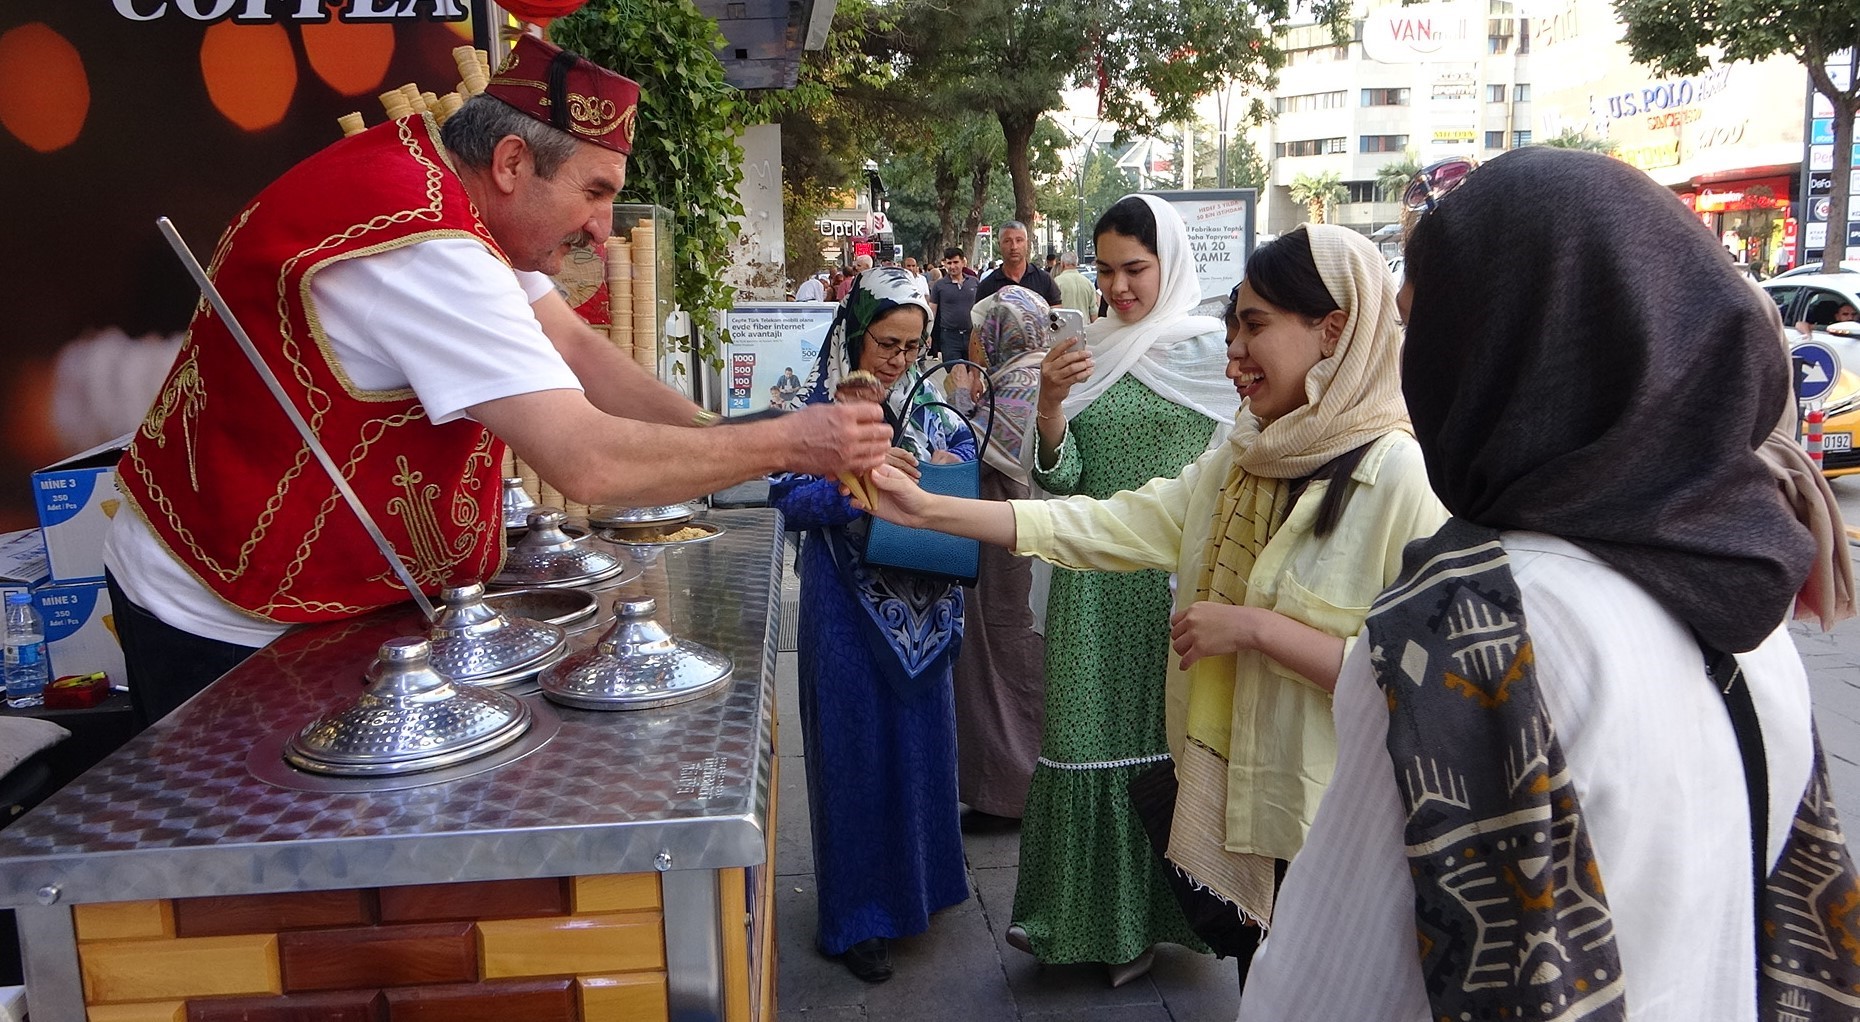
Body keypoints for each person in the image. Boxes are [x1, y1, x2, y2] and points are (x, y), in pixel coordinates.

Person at [101, 34, 890, 728]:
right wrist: (791, 442)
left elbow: (579, 351)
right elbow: (588, 463)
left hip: (328, 587)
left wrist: (721, 437)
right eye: (594, 192)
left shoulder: (449, 188)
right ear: (511, 162)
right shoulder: (427, 247)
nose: (600, 229)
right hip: (226, 610)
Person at [1238, 148, 1859, 1020]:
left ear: (1509, 342)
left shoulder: (1480, 633)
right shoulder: (1750, 598)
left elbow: (1325, 990)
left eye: (1426, 324)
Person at [858, 220, 1448, 988]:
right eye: (1233, 326)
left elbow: (1423, 685)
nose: (1233, 354)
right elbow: (1098, 521)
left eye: (1254, 328)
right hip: (1245, 822)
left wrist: (1258, 630)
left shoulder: (1401, 479)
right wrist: (928, 510)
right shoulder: (1244, 463)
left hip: (1339, 835)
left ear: (1333, 330)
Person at [770, 267, 977, 985]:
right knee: (854, 757)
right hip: (844, 612)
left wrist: (941, 467)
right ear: (856, 331)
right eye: (886, 342)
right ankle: (856, 920)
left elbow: (964, 467)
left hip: (923, 606)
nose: (897, 359)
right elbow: (783, 495)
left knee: (920, 754)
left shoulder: (930, 406)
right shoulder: (811, 408)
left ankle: (921, 895)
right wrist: (848, 486)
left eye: (912, 346)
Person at [950, 286, 1053, 825]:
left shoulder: (1017, 379)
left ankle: (1008, 789)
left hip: (1005, 536)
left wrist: (959, 402)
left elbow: (986, 451)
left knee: (997, 656)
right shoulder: (1038, 371)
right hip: (1021, 532)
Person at [975, 221, 1062, 305]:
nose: (1014, 247)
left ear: (1027, 244)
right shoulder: (987, 286)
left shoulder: (1044, 280)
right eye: (1007, 241)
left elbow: (1057, 314)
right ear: (999, 245)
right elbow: (979, 317)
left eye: (1019, 240)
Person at [930, 247, 980, 367]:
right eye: (949, 263)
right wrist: (928, 334)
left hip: (971, 336)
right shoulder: (939, 286)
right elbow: (932, 310)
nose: (952, 266)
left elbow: (982, 308)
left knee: (973, 373)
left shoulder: (974, 282)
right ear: (945, 264)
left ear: (963, 262)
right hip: (949, 338)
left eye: (956, 262)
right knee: (955, 374)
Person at [1054, 250, 1099, 322]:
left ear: (1062, 264)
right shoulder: (1088, 283)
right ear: (1076, 264)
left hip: (1063, 329)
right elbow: (1094, 312)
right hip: (1084, 328)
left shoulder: (1057, 282)